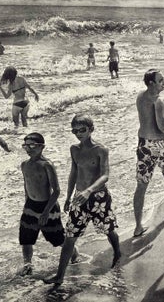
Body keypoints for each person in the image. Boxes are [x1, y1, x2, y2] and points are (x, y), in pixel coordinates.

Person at [43, 114, 121, 286]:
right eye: (75, 130)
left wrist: (89, 190)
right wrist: (68, 197)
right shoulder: (74, 149)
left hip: (99, 198)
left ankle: (117, 252)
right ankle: (59, 276)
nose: (78, 133)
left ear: (91, 130)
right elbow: (73, 174)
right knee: (70, 236)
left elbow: (105, 175)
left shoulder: (101, 150)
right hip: (79, 198)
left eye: (82, 130)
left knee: (108, 230)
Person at [19, 132, 78, 276]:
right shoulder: (24, 165)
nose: (28, 148)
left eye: (32, 145)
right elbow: (26, 185)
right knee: (26, 237)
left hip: (48, 206)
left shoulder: (47, 165)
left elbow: (56, 190)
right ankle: (27, 264)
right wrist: (26, 204)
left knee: (56, 238)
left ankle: (74, 253)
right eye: (25, 146)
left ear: (42, 147)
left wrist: (46, 212)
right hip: (31, 206)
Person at [133, 69, 164, 237]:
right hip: (158, 145)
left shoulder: (141, 96)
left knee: (142, 184)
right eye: (160, 80)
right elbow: (162, 126)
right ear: (151, 83)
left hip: (143, 144)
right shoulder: (159, 101)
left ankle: (138, 226)